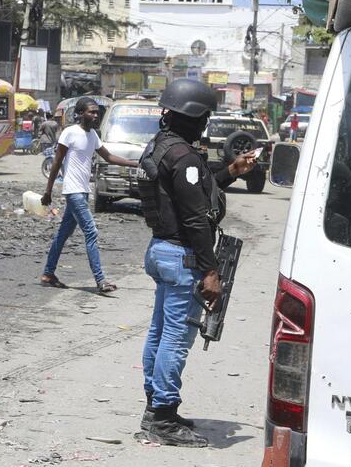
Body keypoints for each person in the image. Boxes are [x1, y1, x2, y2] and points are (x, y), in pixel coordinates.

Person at [136, 79, 257, 447]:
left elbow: (190, 190)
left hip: (161, 250)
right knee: (175, 338)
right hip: (181, 256)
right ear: (197, 116)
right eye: (204, 116)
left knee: (159, 332)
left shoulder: (162, 147)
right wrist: (209, 270)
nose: (206, 123)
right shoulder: (185, 156)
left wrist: (230, 172)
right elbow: (195, 217)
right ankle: (161, 418)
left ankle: (157, 405)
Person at [39, 97, 137, 293]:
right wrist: (48, 191)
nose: (95, 115)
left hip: (83, 192)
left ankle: (48, 274)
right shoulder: (70, 133)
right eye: (91, 112)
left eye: (96, 112)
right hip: (73, 191)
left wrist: (137, 163)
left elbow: (109, 157)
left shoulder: (93, 135)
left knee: (63, 234)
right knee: (91, 232)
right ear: (80, 113)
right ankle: (100, 281)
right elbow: (57, 162)